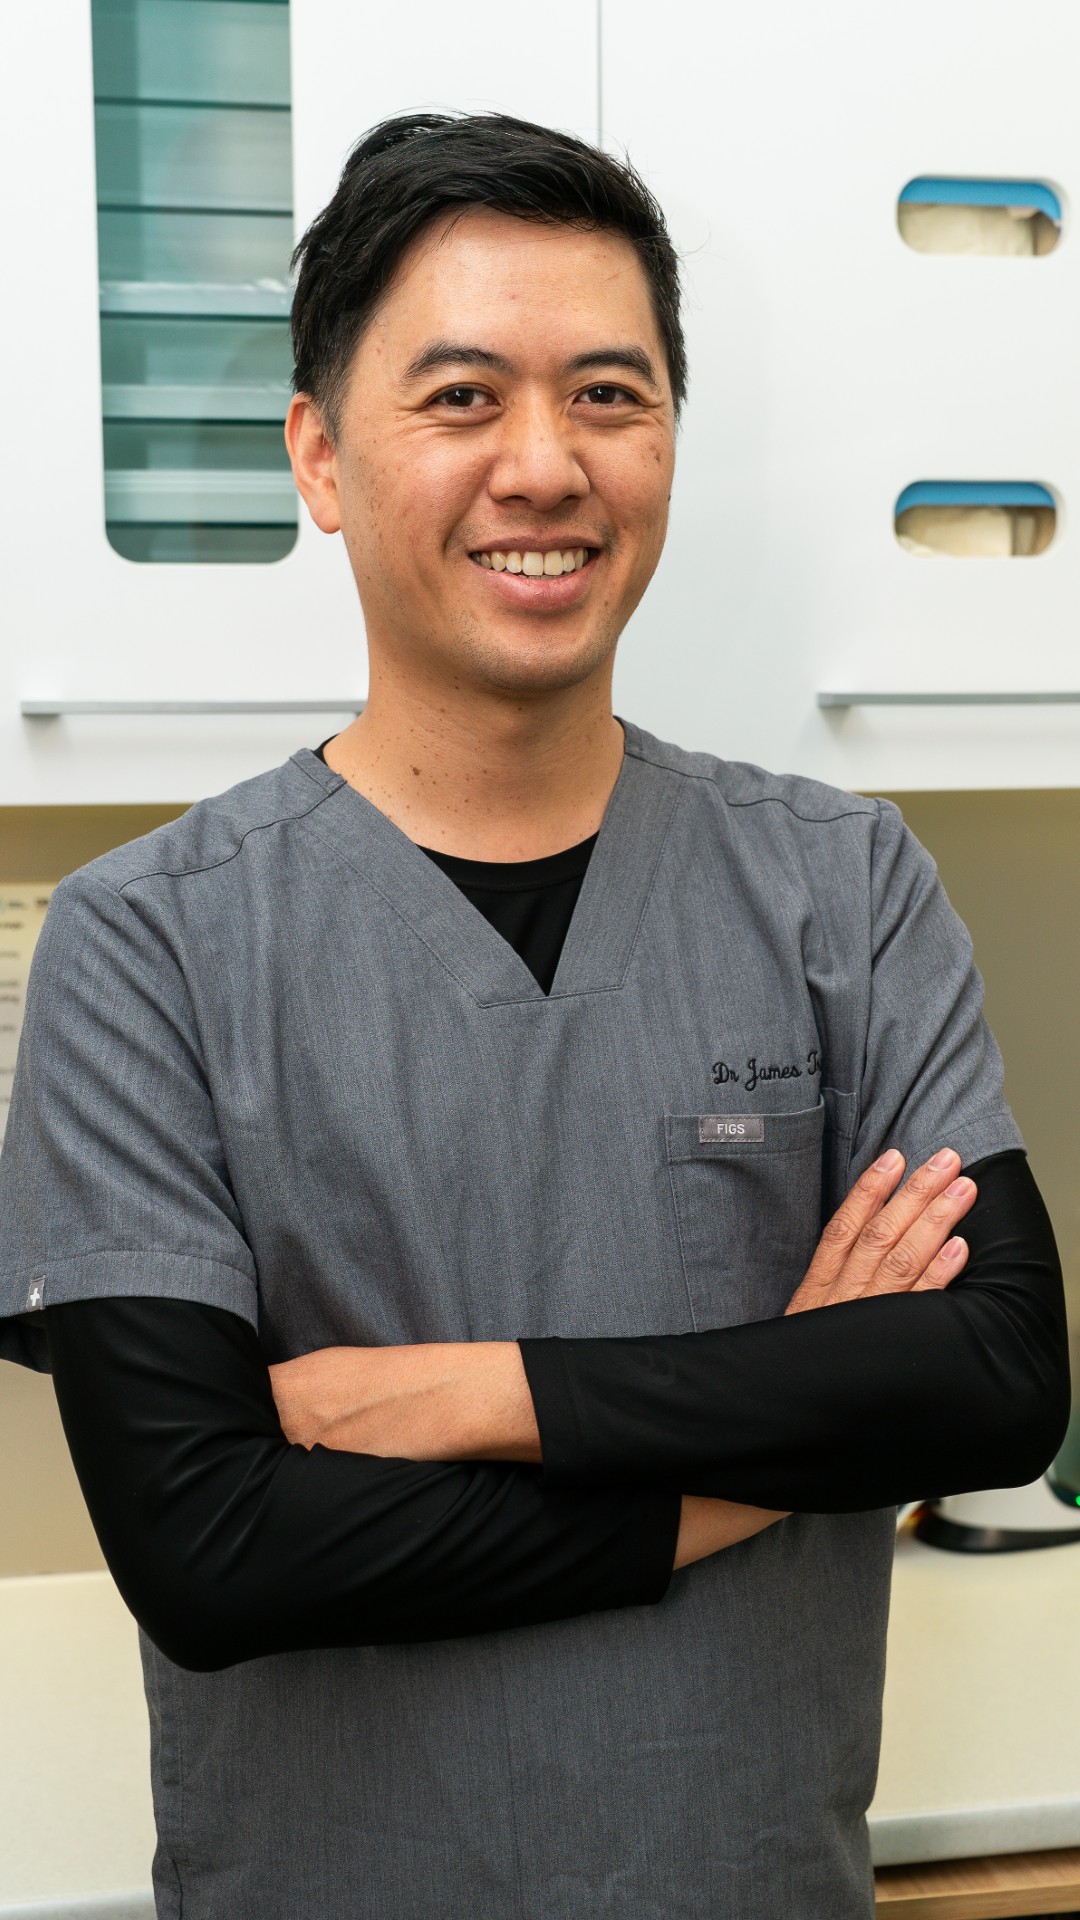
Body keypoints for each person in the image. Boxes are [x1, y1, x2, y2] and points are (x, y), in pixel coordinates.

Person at [0, 112, 1069, 1920]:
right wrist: (764, 1458)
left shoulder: (843, 886)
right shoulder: (142, 952)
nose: (547, 465)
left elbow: (993, 1378)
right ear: (321, 459)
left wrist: (481, 1396)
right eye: (462, 398)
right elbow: (219, 1550)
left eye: (608, 393)